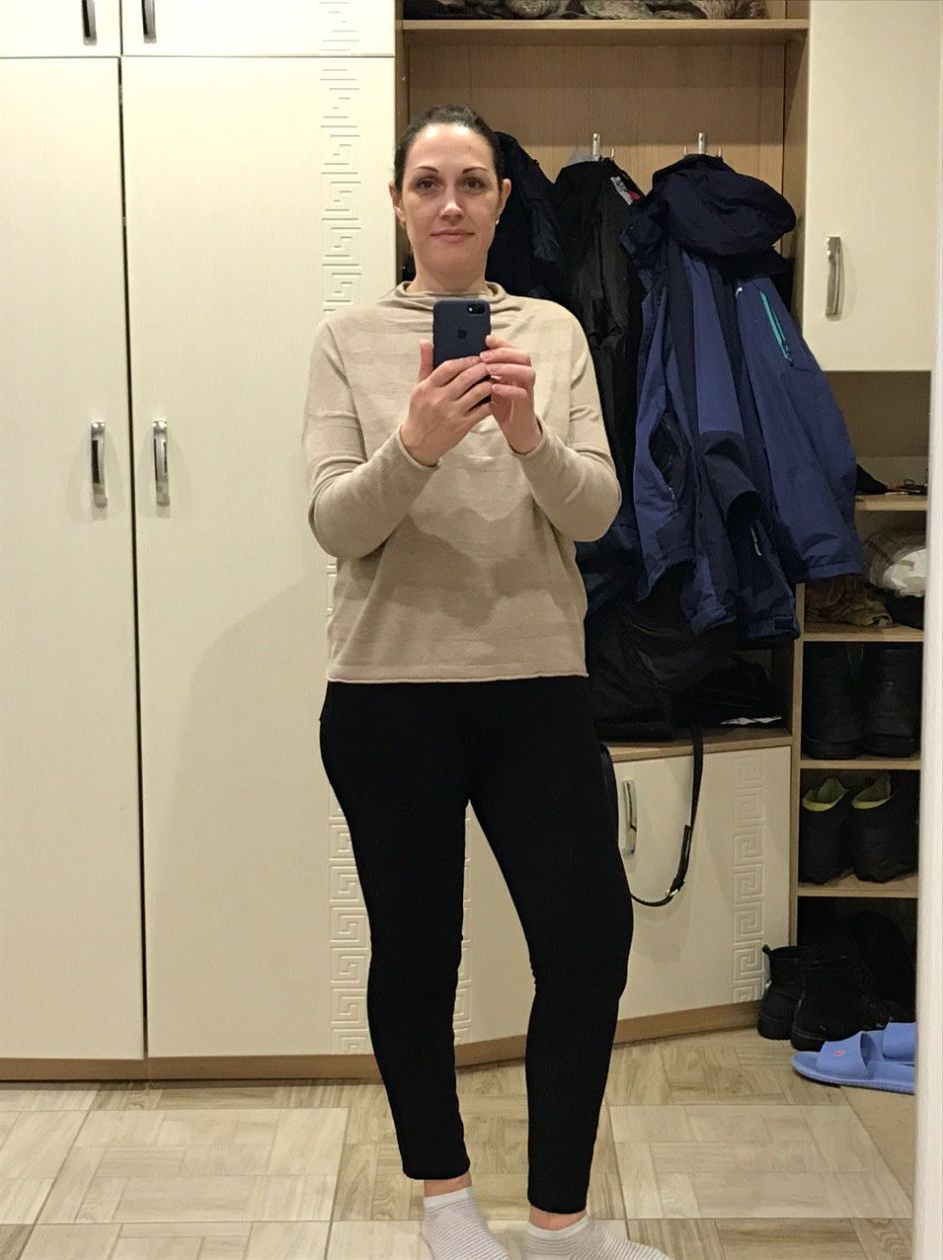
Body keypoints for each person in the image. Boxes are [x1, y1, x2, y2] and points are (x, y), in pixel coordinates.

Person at [302, 103, 669, 1260]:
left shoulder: (549, 333)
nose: (449, 203)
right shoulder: (344, 339)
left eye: (471, 181)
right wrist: (413, 441)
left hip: (536, 689)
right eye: (427, 182)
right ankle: (445, 1206)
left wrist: (525, 435)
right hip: (386, 695)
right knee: (418, 954)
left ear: (503, 200)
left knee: (587, 946)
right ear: (398, 203)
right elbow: (333, 524)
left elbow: (595, 512)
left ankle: (558, 1223)